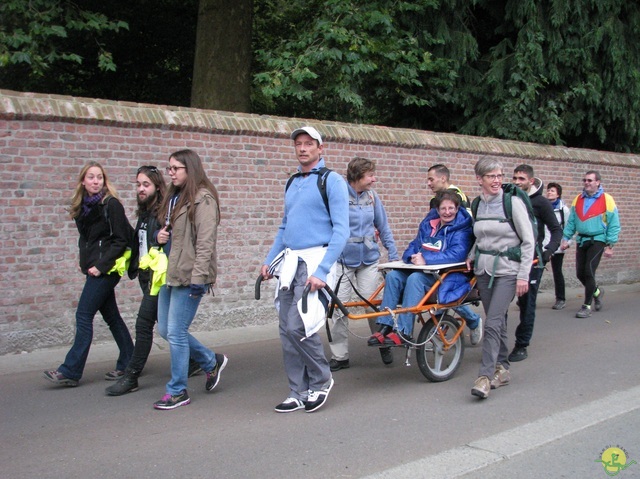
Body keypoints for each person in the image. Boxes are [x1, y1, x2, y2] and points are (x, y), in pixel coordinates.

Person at [261, 126, 349, 413]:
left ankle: (321, 381)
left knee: (300, 324)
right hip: (291, 262)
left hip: (316, 262)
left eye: (308, 143)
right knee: (286, 329)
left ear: (320, 148)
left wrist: (322, 272)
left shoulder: (331, 181)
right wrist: (269, 259)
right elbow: (285, 227)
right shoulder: (292, 182)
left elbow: (341, 231)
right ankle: (298, 391)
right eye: (298, 144)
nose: (302, 148)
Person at [105, 166, 201, 396]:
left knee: (143, 324)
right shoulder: (145, 212)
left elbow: (171, 242)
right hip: (148, 278)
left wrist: (159, 239)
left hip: (161, 280)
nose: (141, 189)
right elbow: (138, 241)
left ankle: (132, 375)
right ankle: (199, 361)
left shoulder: (162, 213)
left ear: (158, 187)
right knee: (169, 329)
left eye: (145, 184)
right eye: (138, 184)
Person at [44, 162, 134, 387]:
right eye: (91, 177)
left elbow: (120, 240)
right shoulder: (83, 207)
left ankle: (71, 370)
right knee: (111, 316)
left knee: (83, 315)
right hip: (93, 268)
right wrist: (84, 262)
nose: (96, 181)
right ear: (83, 181)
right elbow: (88, 240)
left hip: (107, 269)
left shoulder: (110, 204)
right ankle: (130, 360)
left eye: (100, 177)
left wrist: (101, 266)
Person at [152, 150, 227, 410]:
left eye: (176, 168)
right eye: (169, 168)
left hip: (190, 276)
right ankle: (209, 361)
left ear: (190, 169)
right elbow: (174, 235)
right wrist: (160, 237)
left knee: (176, 332)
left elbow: (206, 242)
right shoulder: (175, 197)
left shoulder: (203, 199)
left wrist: (199, 278)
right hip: (171, 273)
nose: (170, 173)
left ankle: (177, 390)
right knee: (165, 329)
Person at [367, 191, 475, 346]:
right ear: (437, 210)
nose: (447, 212)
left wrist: (426, 259)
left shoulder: (462, 229)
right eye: (443, 208)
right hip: (425, 272)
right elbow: (414, 245)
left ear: (457, 208)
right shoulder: (429, 225)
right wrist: (411, 256)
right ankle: (385, 326)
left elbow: (457, 254)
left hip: (448, 276)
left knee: (414, 279)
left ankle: (404, 332)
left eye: (451, 208)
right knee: (393, 277)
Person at [467, 157, 534, 399]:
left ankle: (484, 376)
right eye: (491, 176)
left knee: (493, 321)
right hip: (484, 271)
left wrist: (523, 275)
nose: (497, 180)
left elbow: (528, 241)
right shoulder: (477, 204)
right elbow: (480, 236)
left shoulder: (512, 203)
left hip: (508, 270)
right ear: (480, 179)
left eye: (499, 176)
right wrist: (472, 254)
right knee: (499, 322)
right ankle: (502, 369)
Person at [329, 157, 399, 371]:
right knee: (337, 308)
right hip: (343, 261)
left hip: (368, 259)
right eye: (370, 175)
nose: (374, 179)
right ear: (357, 177)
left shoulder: (372, 197)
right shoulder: (338, 197)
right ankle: (340, 356)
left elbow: (383, 226)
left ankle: (383, 342)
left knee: (373, 304)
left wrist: (393, 256)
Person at [508, 164, 562, 362]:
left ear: (531, 181)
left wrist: (548, 252)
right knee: (501, 303)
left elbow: (556, 229)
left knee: (527, 303)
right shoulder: (509, 199)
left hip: (533, 260)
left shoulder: (540, 202)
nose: (516, 182)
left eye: (521, 179)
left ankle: (522, 345)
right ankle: (497, 342)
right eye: (514, 178)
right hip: (510, 259)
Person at [426, 163, 483, 345]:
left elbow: (467, 230)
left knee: (445, 293)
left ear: (443, 178)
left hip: (456, 256)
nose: (428, 183)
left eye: (431, 179)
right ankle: (445, 325)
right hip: (440, 254)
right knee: (438, 291)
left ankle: (472, 320)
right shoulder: (435, 201)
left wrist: (467, 256)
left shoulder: (459, 199)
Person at [561, 170, 620, 318]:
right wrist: (566, 237)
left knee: (589, 270)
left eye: (590, 180)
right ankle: (597, 292)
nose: (586, 183)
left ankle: (586, 306)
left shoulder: (607, 199)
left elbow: (614, 224)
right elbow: (572, 221)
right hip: (582, 240)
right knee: (580, 273)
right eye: (585, 180)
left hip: (598, 239)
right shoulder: (578, 199)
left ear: (598, 182)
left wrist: (610, 245)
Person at [546, 182, 571, 310]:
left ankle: (560, 299)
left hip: (557, 245)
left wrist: (566, 242)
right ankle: (528, 298)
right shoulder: (543, 207)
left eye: (552, 191)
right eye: (548, 190)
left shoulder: (564, 210)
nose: (549, 192)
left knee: (557, 272)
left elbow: (569, 227)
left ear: (558, 194)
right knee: (535, 272)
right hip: (543, 245)